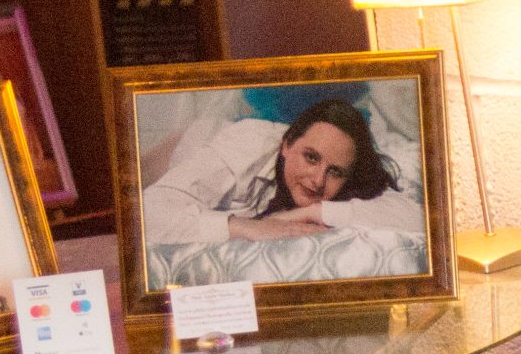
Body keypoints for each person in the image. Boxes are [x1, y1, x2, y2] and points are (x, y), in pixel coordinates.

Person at [141, 96, 424, 252]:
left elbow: (417, 221)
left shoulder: (347, 171)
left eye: (335, 172)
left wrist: (309, 213)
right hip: (188, 145)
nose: (318, 180)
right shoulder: (243, 147)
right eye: (311, 157)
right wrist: (244, 227)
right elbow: (147, 213)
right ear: (287, 145)